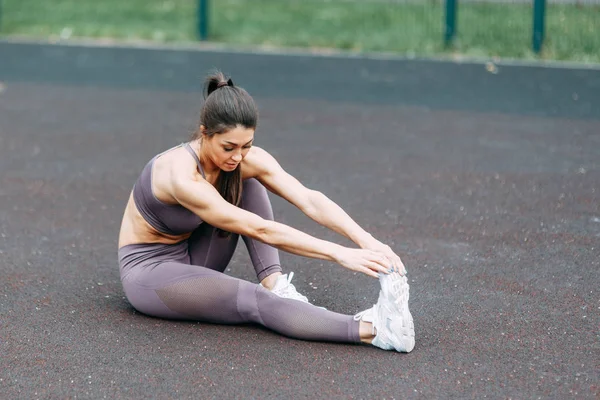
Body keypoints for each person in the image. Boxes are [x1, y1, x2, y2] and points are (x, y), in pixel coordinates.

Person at [117, 71, 415, 352]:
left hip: (195, 252)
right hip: (151, 272)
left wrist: (366, 240)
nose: (237, 155)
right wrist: (339, 253)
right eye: (228, 147)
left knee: (244, 180)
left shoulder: (240, 160)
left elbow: (309, 199)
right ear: (204, 133)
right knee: (254, 301)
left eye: (246, 145)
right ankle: (376, 331)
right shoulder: (180, 176)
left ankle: (275, 284)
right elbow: (259, 229)